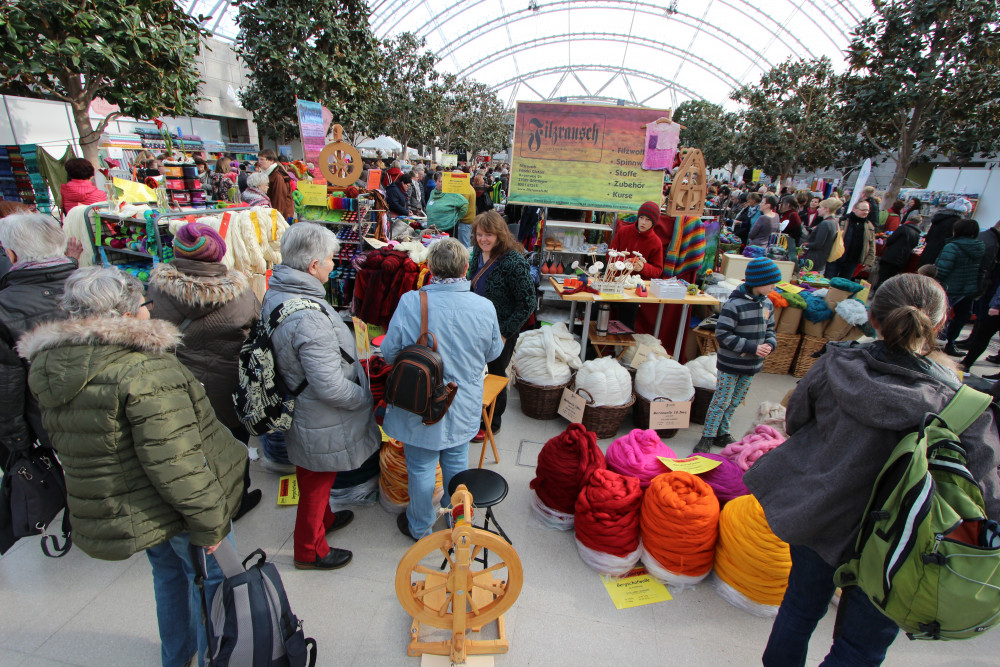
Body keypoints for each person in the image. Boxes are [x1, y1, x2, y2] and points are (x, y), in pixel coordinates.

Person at [743, 272, 1000, 666]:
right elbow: (985, 494)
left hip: (820, 516)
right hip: (901, 543)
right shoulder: (961, 405)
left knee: (798, 609)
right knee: (860, 648)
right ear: (941, 324)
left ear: (873, 318)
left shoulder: (835, 364)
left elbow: (795, 421)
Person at [18, 266, 246, 667]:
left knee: (167, 573)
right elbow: (175, 459)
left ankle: (176, 655)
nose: (150, 310)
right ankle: (215, 657)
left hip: (133, 499)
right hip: (174, 503)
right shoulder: (144, 369)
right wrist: (210, 521)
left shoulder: (51, 362)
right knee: (212, 580)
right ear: (124, 315)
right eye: (145, 303)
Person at [262, 222, 380, 570]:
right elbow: (329, 386)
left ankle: (324, 520)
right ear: (313, 266)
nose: (333, 264)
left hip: (300, 401)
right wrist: (364, 398)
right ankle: (309, 550)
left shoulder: (278, 289)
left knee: (313, 471)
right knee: (317, 480)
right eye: (330, 259)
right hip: (319, 412)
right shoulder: (308, 318)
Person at [382, 238, 504, 540]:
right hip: (461, 400)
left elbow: (389, 352)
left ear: (431, 268)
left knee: (421, 467)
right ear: (465, 268)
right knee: (457, 464)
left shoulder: (411, 302)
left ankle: (420, 528)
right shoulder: (484, 306)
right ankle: (457, 524)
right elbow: (493, 353)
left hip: (420, 401)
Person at [147, 222, 262, 520]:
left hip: (179, 385)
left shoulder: (157, 291)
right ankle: (238, 499)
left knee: (191, 446)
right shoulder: (241, 293)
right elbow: (257, 332)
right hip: (230, 386)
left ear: (177, 252)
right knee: (234, 445)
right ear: (219, 254)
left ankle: (200, 504)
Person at [0, 212, 77, 464]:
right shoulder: (101, 286)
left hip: (51, 429)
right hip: (112, 417)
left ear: (11, 254)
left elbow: (7, 389)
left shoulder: (5, 307)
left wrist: (18, 444)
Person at [694, 256, 780, 453]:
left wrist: (770, 344)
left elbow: (770, 329)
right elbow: (723, 334)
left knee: (735, 401)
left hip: (752, 366)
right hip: (730, 364)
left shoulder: (767, 304)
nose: (774, 287)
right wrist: (751, 347)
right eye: (771, 283)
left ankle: (722, 433)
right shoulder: (734, 305)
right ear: (758, 282)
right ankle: (707, 436)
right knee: (721, 401)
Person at [467, 211, 536, 441]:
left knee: (495, 373)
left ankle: (492, 423)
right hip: (476, 326)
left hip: (501, 329)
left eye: (488, 234)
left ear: (499, 235)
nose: (483, 239)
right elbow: (471, 282)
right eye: (479, 234)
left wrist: (506, 333)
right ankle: (475, 416)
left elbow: (528, 302)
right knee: (475, 372)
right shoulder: (477, 253)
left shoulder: (513, 261)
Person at [935, 218, 984, 356]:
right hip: (968, 288)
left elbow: (943, 269)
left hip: (950, 287)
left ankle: (938, 345)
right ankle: (950, 343)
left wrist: (935, 280)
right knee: (962, 316)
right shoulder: (979, 247)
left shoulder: (952, 246)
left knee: (942, 316)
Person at [872, 209, 921, 292]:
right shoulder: (917, 234)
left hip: (890, 256)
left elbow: (890, 240)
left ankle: (877, 292)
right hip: (902, 260)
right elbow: (914, 245)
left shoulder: (903, 228)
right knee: (891, 280)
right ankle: (884, 294)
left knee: (882, 276)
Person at [825, 200, 875, 280]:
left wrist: (869, 261)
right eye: (863, 210)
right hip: (836, 258)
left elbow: (872, 245)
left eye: (867, 210)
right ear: (854, 209)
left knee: (844, 283)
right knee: (828, 280)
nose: (866, 212)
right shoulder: (842, 220)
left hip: (852, 261)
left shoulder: (869, 226)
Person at [920, 198, 971, 267]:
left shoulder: (939, 218)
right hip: (940, 254)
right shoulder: (957, 222)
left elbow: (929, 236)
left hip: (928, 250)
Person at [800, 198, 842, 274]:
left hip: (814, 258)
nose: (818, 209)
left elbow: (818, 243)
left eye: (820, 207)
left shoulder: (825, 223)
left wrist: (805, 244)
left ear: (827, 209)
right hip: (822, 258)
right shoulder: (834, 222)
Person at [257, 149, 294, 219]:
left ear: (271, 161)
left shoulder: (277, 176)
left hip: (281, 215)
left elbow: (279, 200)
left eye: (262, 159)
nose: (259, 162)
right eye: (258, 159)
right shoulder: (268, 173)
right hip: (273, 213)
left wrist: (275, 218)